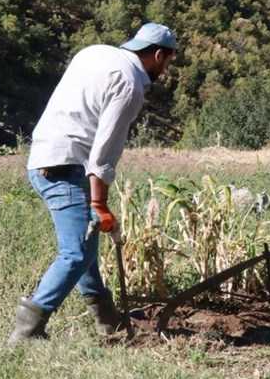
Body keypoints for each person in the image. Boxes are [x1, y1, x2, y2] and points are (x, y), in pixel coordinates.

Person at [9, 22, 177, 343]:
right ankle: (27, 330)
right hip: (67, 165)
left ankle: (107, 320)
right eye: (168, 62)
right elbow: (103, 151)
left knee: (86, 248)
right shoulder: (130, 83)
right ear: (158, 54)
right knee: (75, 253)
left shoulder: (94, 53)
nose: (166, 69)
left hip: (44, 157)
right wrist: (99, 203)